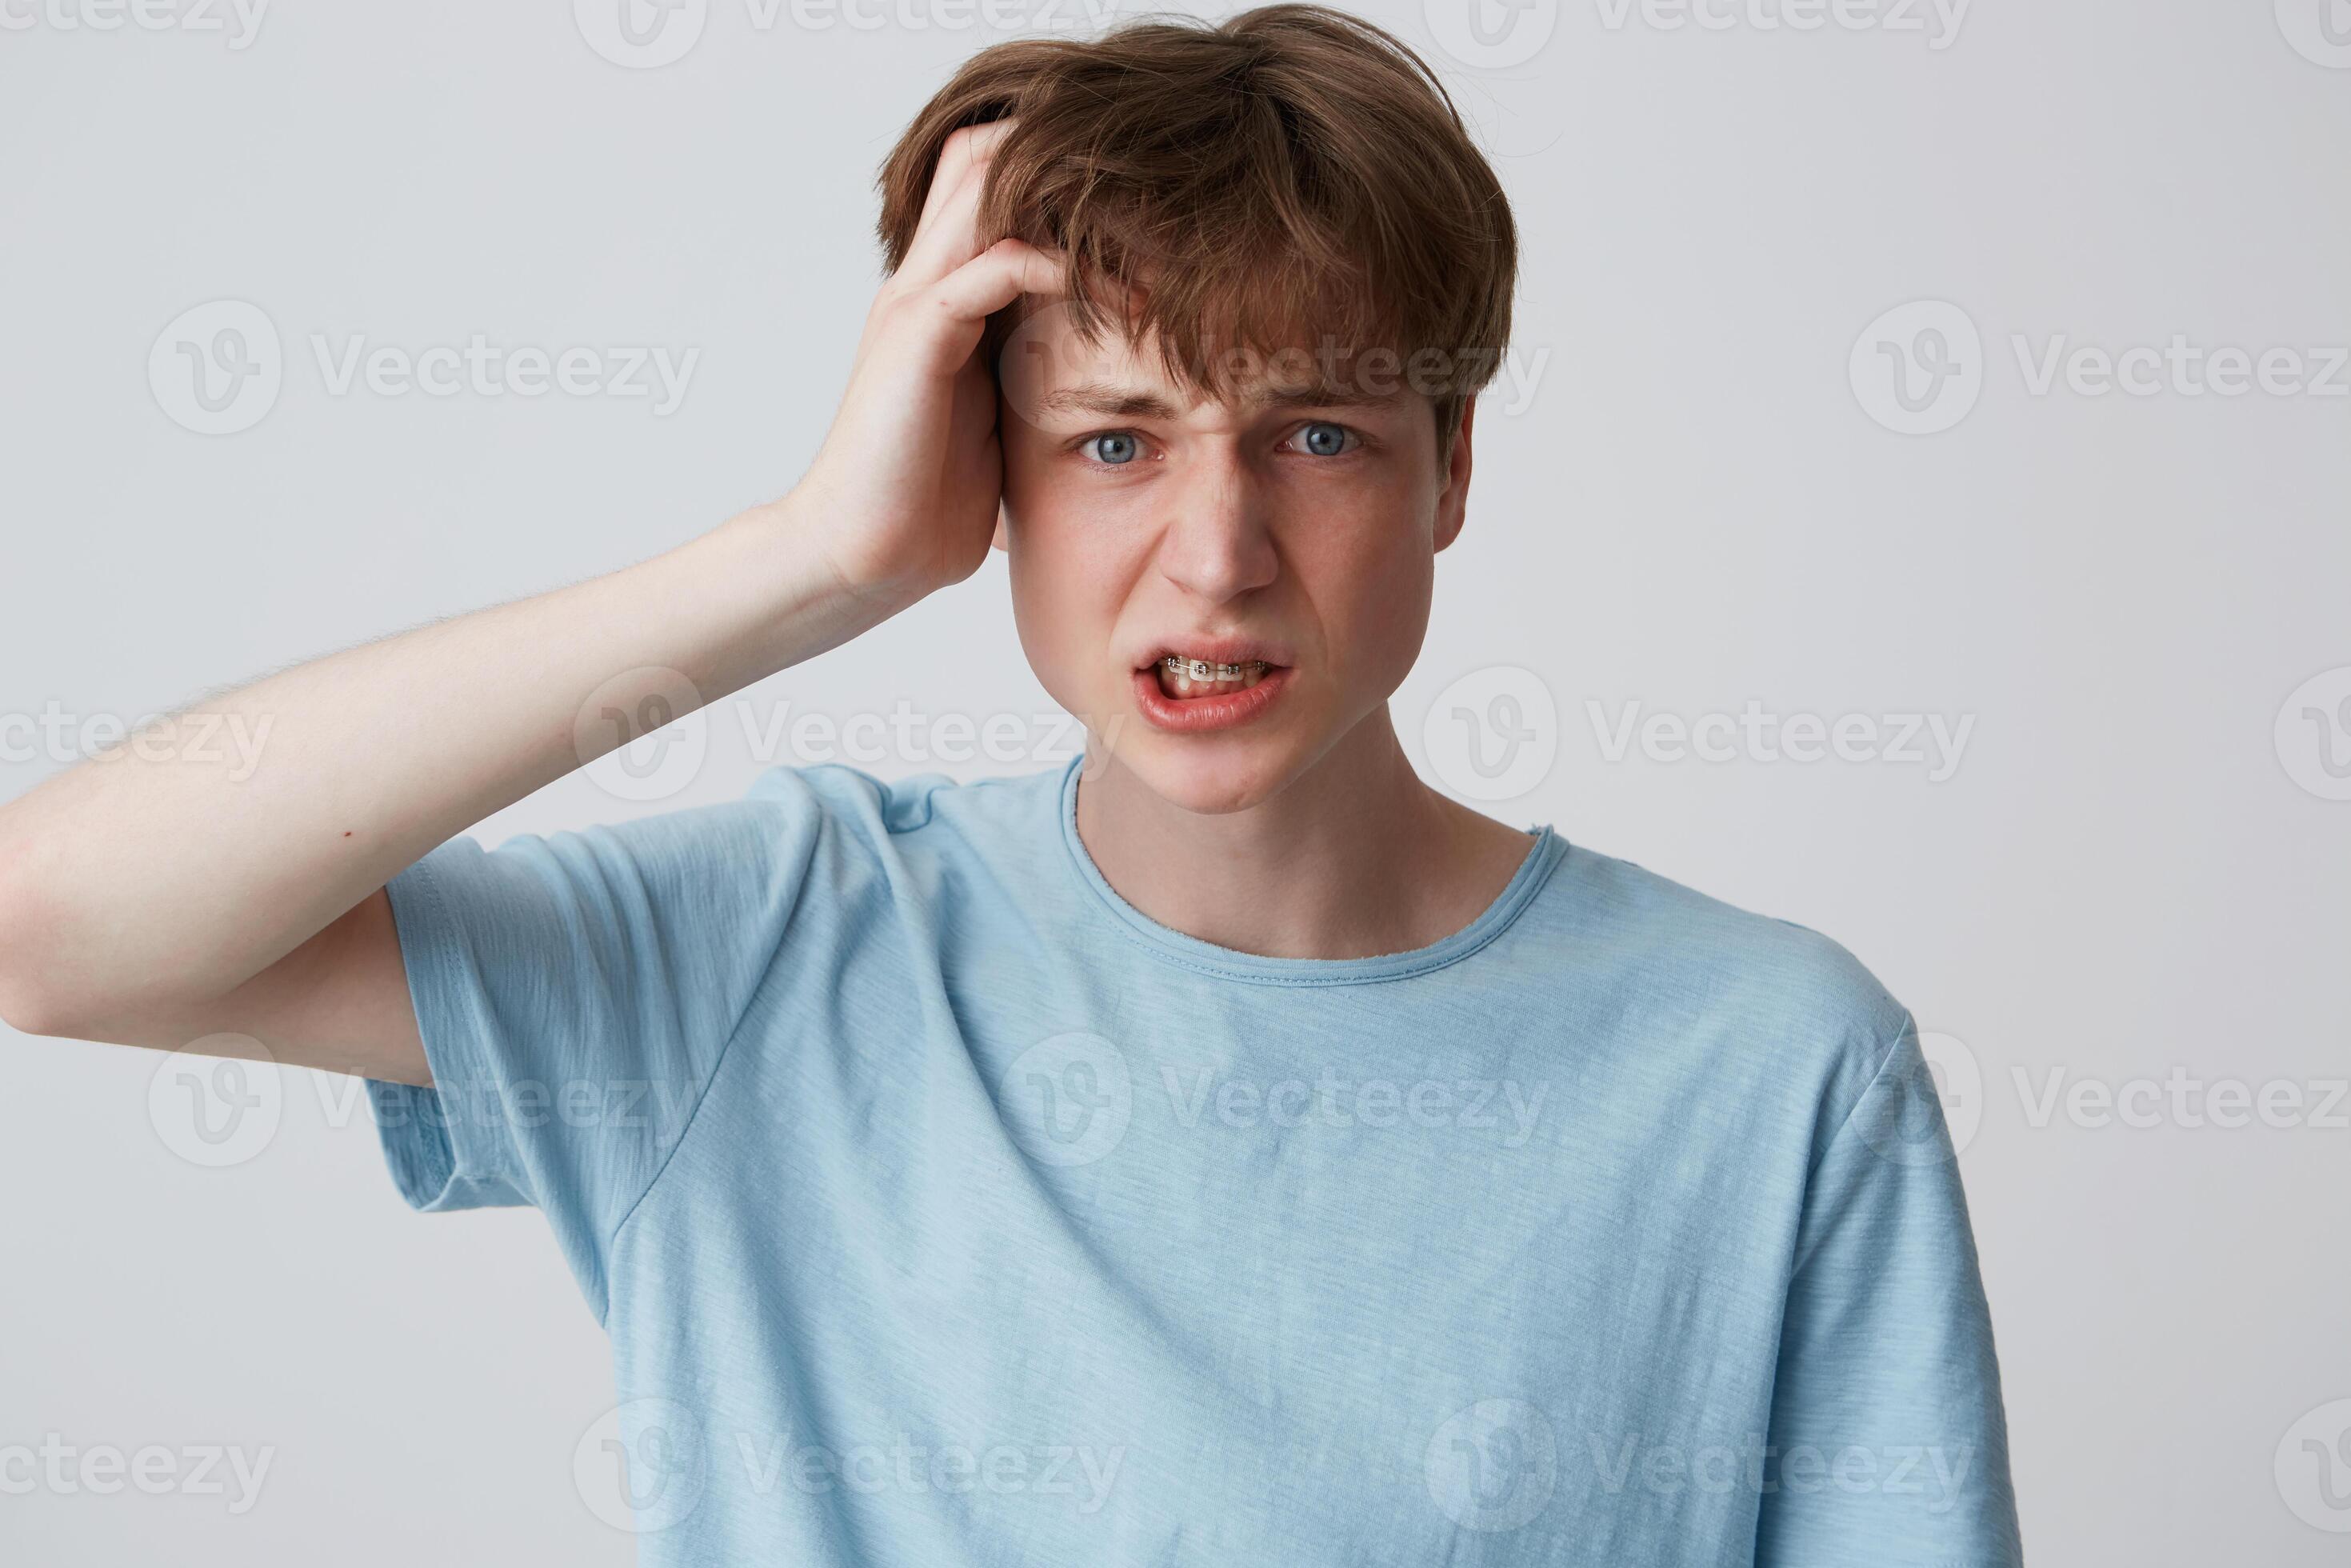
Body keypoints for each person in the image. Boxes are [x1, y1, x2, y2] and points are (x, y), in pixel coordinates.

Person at [0, 6, 2022, 1563]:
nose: (1216, 553)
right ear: (982, 473)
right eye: (1115, 440)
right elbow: (56, 924)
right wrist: (810, 557)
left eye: (1314, 434)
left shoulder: (1770, 1063)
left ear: (1452, 468)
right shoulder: (766, 958)